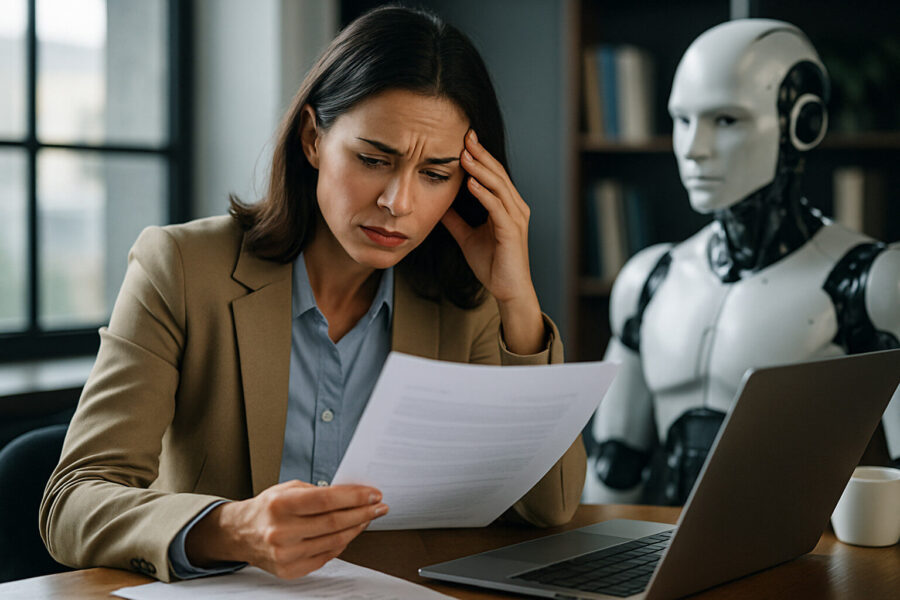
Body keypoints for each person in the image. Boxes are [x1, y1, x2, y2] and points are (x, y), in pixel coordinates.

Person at [40, 6, 585, 583]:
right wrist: (233, 528)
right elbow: (72, 502)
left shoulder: (464, 303)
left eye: (435, 174)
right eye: (373, 159)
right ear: (313, 139)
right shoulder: (180, 268)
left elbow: (549, 504)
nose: (398, 202)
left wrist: (517, 301)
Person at [583, 19, 900, 505]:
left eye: (726, 120)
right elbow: (613, 470)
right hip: (657, 542)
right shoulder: (648, 281)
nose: (694, 149)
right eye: (682, 120)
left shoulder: (870, 284)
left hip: (796, 550)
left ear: (804, 124)